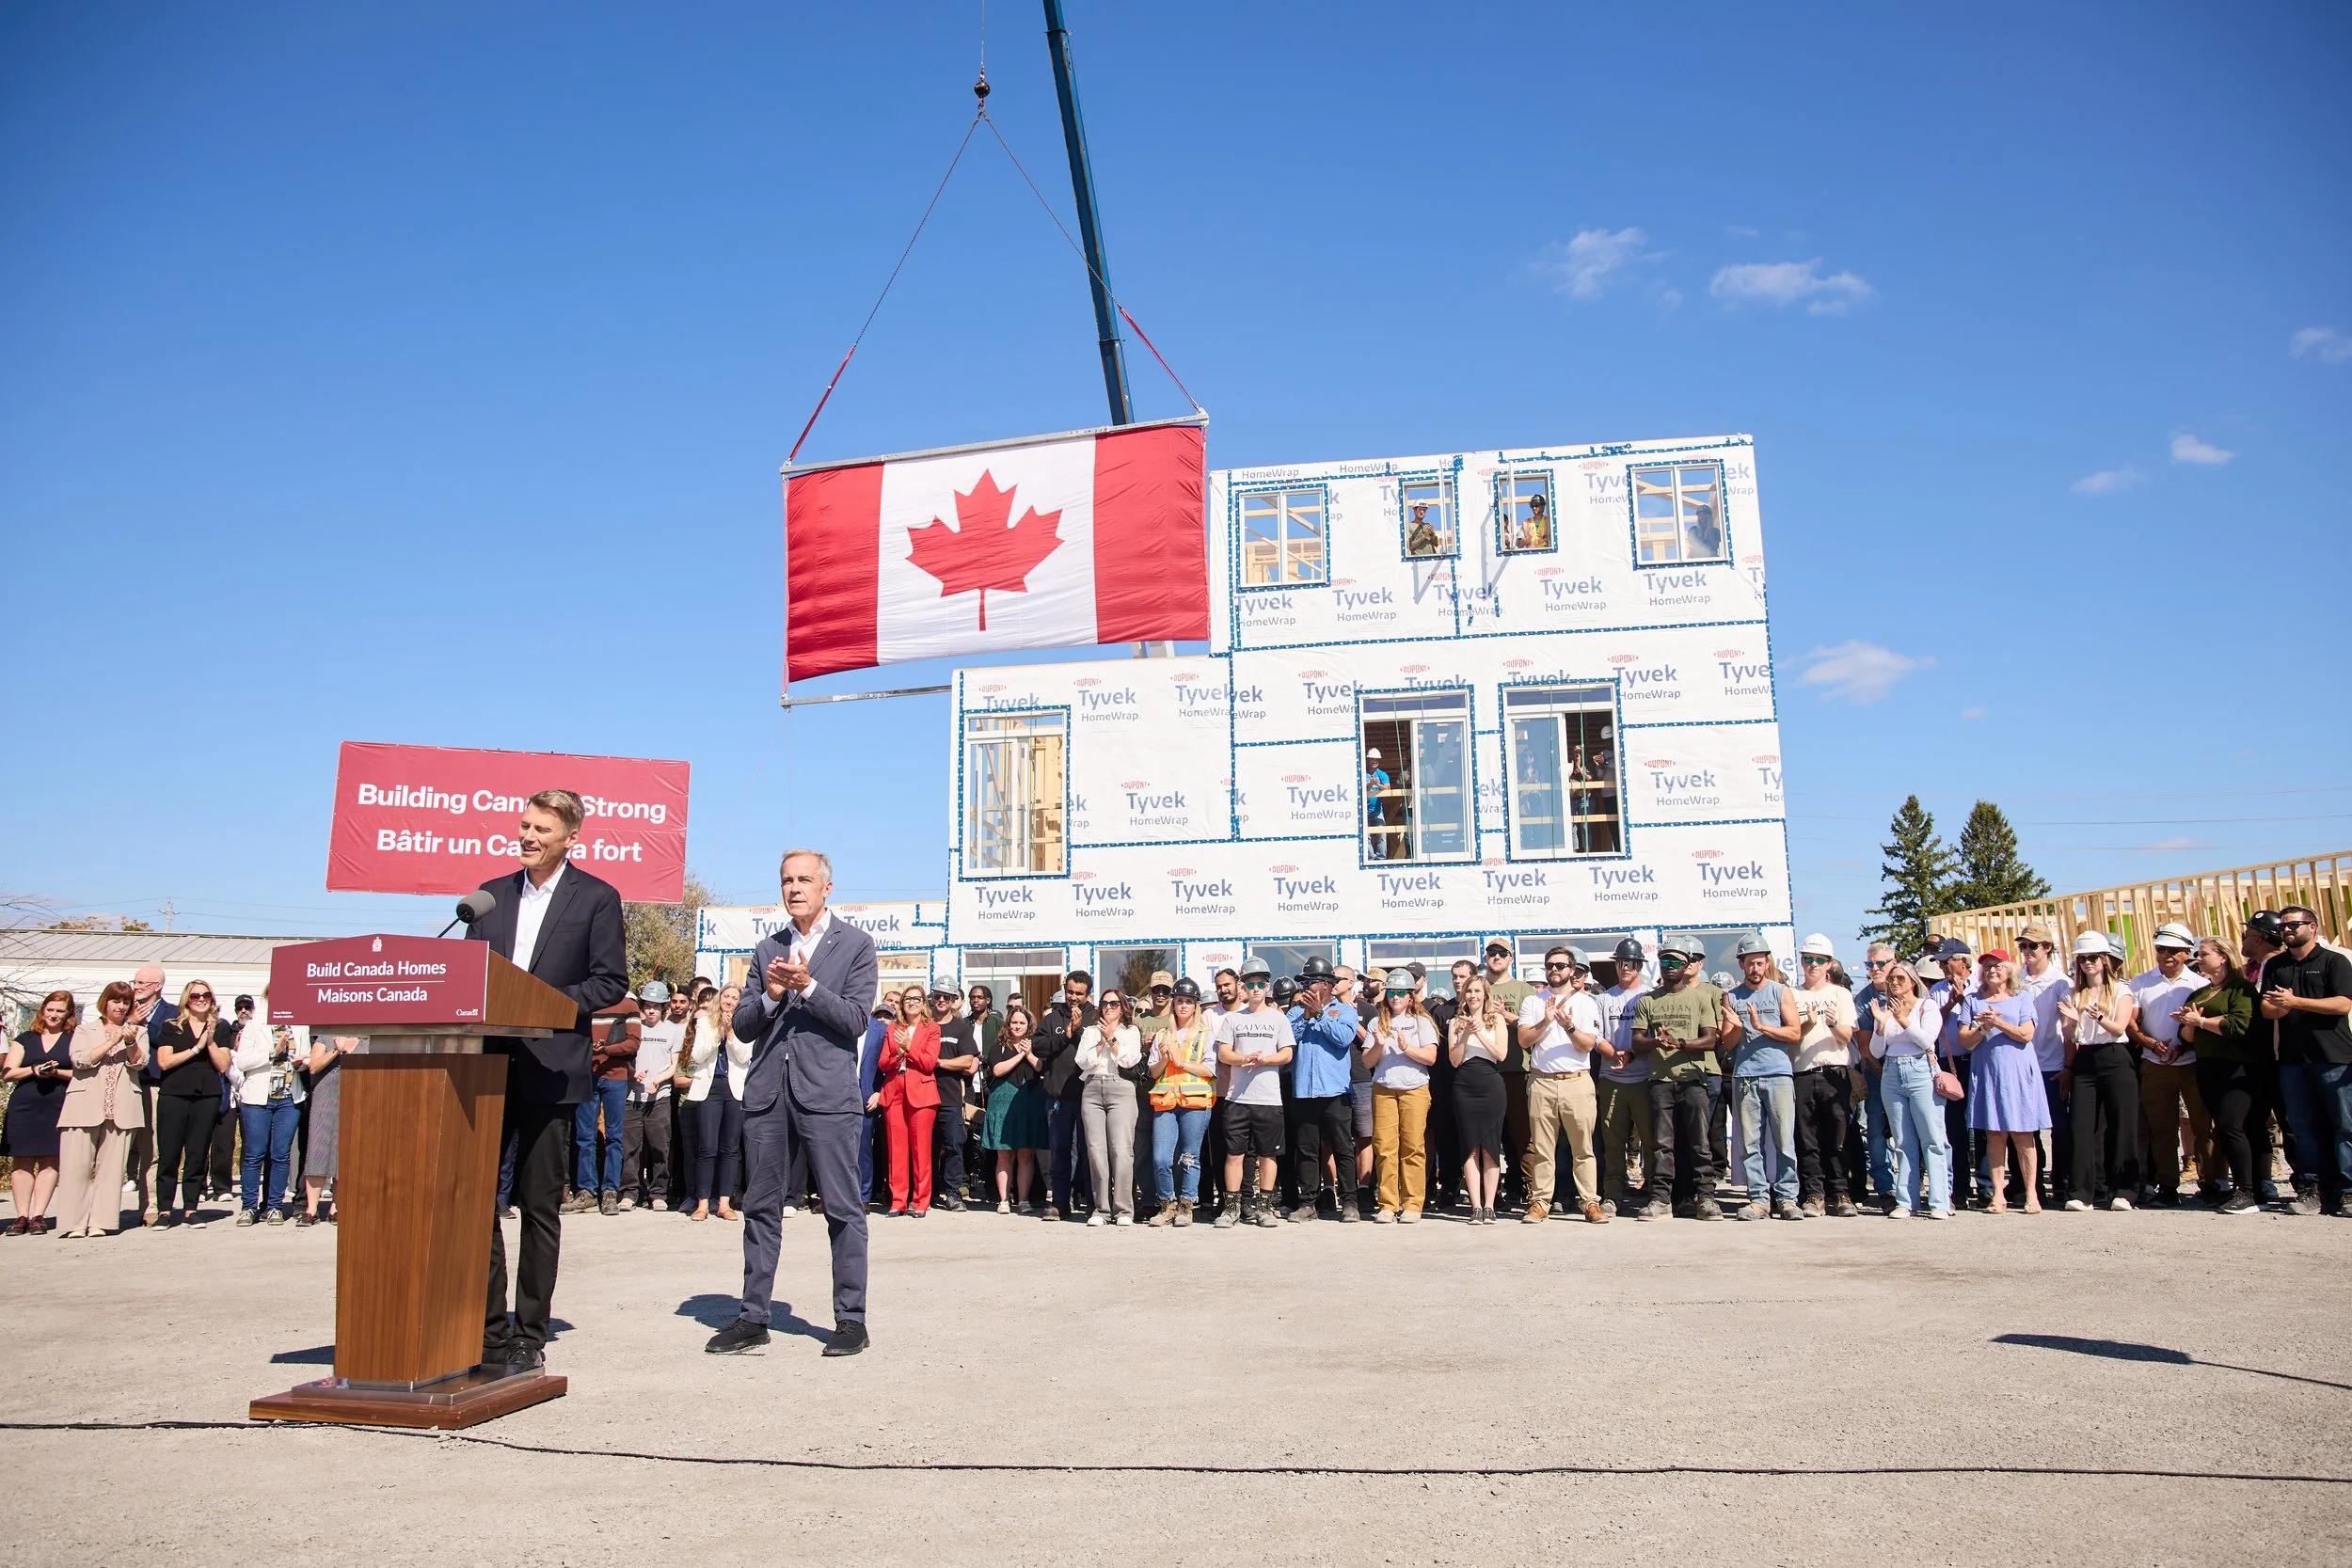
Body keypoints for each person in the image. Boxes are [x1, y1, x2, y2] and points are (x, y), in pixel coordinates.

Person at [463, 787, 630, 1372]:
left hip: (552, 1066)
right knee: (477, 1202)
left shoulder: (597, 899)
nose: (528, 836)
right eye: (524, 825)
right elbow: (466, 980)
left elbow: (609, 983)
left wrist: (542, 1002)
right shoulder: (489, 897)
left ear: (570, 838)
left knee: (538, 1206)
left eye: (541, 829)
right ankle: (487, 1331)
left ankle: (529, 1331)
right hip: (486, 1066)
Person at [713, 848, 879, 1359]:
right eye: (787, 880)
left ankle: (850, 1320)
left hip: (827, 1096)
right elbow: (741, 1026)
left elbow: (855, 1020)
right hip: (768, 1094)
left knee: (842, 1208)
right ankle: (753, 1316)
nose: (794, 888)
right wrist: (766, 996)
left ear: (827, 887)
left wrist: (806, 987)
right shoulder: (767, 948)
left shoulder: (856, 945)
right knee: (760, 1207)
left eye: (804, 880)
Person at [2262, 904, 2352, 1216]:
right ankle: (2311, 1188)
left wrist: (2295, 1002)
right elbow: (2266, 1010)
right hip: (2292, 1060)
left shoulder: (2334, 961)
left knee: (2344, 1126)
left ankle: (2347, 1191)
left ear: (2312, 927)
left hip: (2334, 1057)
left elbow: (2342, 1004)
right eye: (2283, 926)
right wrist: (2280, 1008)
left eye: (2293, 925)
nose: (2286, 930)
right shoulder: (2276, 966)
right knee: (2302, 1127)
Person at [1633, 933, 1728, 1222]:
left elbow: (1711, 1040)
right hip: (1661, 1081)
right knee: (1663, 1144)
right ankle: (1661, 1199)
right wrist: (1656, 1043)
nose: (1669, 965)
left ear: (1688, 965)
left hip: (1694, 1080)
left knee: (1700, 1143)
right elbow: (1637, 1042)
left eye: (1676, 961)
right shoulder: (1647, 1001)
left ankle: (1706, 1199)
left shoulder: (1701, 998)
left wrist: (1681, 1044)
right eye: (1664, 961)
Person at [53, 981, 149, 1239]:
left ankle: (101, 1221)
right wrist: (114, 1039)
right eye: (116, 1001)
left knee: (111, 1169)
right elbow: (80, 1060)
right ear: (105, 1002)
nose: (121, 1006)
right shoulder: (85, 1030)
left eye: (126, 1002)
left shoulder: (138, 1032)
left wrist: (129, 1042)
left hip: (121, 1106)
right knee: (76, 1167)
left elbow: (140, 1063)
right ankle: (74, 1223)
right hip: (83, 1104)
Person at [2177, 938, 2265, 1214]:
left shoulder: (2241, 989)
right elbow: (2186, 1036)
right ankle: (2244, 1188)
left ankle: (2247, 1191)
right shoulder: (2201, 993)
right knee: (2223, 1127)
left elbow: (2239, 1025)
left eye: (2203, 954)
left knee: (2233, 1125)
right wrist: (2191, 1025)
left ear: (2223, 957)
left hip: (2237, 1067)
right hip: (2207, 1065)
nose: (2198, 958)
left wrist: (2200, 1022)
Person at [1517, 947, 1604, 1224]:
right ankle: (1541, 1201)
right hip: (1542, 1081)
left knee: (1583, 1148)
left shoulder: (1587, 1003)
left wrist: (1568, 1026)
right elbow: (1523, 1040)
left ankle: (1590, 1201)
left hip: (1576, 1081)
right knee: (1542, 1148)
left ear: (1572, 969)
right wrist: (1547, 1019)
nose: (1554, 970)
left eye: (1560, 965)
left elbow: (1589, 1044)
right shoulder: (1533, 1002)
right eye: (1549, 965)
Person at [2128, 924, 2213, 1207]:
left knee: (2204, 1125)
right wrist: (2150, 1043)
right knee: (2161, 1128)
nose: (2165, 955)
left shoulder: (2200, 985)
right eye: (2161, 949)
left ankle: (2211, 1181)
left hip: (2192, 1064)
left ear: (2186, 953)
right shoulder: (2141, 982)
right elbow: (2132, 1022)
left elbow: (2202, 1025)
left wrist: (2183, 1046)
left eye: (2172, 950)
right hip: (2154, 1064)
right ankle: (2167, 1185)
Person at [1960, 953, 2049, 1214]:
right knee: (1994, 1135)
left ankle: (2032, 1193)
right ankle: (1998, 1195)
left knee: (2024, 1134)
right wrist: (1983, 1028)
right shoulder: (1972, 1001)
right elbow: (1964, 1039)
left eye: (1997, 966)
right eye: (1987, 967)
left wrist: (1997, 1022)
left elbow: (2026, 1034)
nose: (1992, 971)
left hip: (2018, 1073)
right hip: (1988, 1073)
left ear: (2008, 970)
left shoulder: (2021, 998)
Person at [2058, 932, 2141, 1212]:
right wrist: (2071, 1022)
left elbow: (2120, 1028)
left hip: (2115, 1055)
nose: (2087, 964)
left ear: (2105, 960)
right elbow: (2071, 1035)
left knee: (2122, 1124)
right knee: (2081, 1126)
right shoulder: (2073, 993)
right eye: (2082, 959)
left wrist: (2099, 1017)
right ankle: (2083, 1192)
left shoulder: (2122, 990)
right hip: (2086, 1057)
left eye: (2093, 958)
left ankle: (2124, 1191)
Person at [1721, 934, 1801, 1221]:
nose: (1755, 968)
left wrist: (1761, 1026)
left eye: (1759, 962)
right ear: (1741, 965)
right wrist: (1735, 1028)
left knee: (1784, 1141)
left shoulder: (1781, 992)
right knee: (1751, 1143)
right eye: (1749, 963)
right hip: (1745, 1076)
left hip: (1778, 1074)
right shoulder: (1732, 995)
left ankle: (1788, 1198)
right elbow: (1729, 1044)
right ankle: (1758, 1199)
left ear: (1767, 963)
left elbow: (1794, 1033)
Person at [1866, 960, 1952, 1218]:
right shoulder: (1885, 1009)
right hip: (1892, 1071)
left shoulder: (1927, 1006)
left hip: (1920, 1070)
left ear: (1913, 981)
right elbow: (1876, 1051)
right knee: (1902, 1141)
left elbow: (1927, 1040)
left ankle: (1939, 1202)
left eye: (1900, 978)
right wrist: (1881, 1026)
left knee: (1933, 1139)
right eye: (1892, 979)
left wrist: (1904, 1020)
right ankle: (1906, 1201)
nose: (1894, 983)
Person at [1213, 957, 1292, 1228]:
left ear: (1267, 987)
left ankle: (1265, 1207)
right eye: (1250, 984)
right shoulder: (1233, 1019)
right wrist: (1243, 1059)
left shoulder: (1278, 1019)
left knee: (1268, 1154)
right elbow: (1223, 1053)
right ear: (1243, 987)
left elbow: (1287, 1054)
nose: (1256, 988)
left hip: (1268, 1098)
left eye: (1260, 984)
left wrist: (1264, 1060)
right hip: (1237, 1098)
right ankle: (1232, 1207)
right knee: (1234, 1154)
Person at [1788, 935, 1860, 1217]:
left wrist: (1830, 1023)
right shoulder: (1792, 994)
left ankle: (1841, 1193)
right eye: (1808, 959)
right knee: (1806, 1138)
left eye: (1819, 960)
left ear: (1829, 964)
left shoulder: (1841, 994)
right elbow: (1792, 1038)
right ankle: (1814, 1194)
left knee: (1838, 1137)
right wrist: (1807, 1024)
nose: (1813, 965)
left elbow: (1845, 1037)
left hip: (1834, 1071)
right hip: (1802, 1071)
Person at [150, 980, 231, 1227]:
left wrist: (209, 1041)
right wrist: (196, 1048)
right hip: (174, 1094)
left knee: (197, 1154)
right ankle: (165, 1210)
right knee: (169, 1152)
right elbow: (164, 1062)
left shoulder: (221, 1027)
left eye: (206, 994)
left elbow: (223, 1064)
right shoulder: (172, 1026)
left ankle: (190, 1208)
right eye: (195, 995)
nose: (201, 998)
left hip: (206, 1095)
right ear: (187, 999)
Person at [1286, 956, 1359, 1223]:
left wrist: (1319, 1015)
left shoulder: (1346, 1010)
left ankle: (1350, 1203)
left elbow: (1343, 1039)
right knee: (1307, 1151)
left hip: (1335, 1092)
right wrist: (1306, 1016)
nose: (1306, 987)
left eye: (1311, 982)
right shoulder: (1295, 1012)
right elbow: (1286, 1041)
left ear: (1327, 985)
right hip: (1304, 1092)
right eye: (1304, 982)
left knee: (1343, 1148)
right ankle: (1308, 1203)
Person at [1362, 971, 1438, 1222]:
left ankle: (1413, 1204)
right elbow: (1367, 1063)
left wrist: (1406, 1048)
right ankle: (1387, 1204)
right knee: (1384, 1147)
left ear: (1410, 996)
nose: (1395, 997)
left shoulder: (1421, 1021)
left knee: (1413, 1146)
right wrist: (1378, 1045)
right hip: (1384, 1089)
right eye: (1391, 992)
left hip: (1414, 1089)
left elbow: (1430, 1057)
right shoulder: (1377, 1023)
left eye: (1400, 993)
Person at [5, 991, 77, 1234]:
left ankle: (38, 1216)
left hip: (58, 1104)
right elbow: (8, 1073)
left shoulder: (74, 1038)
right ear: (42, 1010)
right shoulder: (25, 1038)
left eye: (60, 1011)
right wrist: (33, 1070)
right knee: (22, 1160)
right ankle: (21, 1216)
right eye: (50, 1009)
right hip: (25, 1104)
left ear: (68, 1013)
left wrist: (57, 1073)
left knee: (50, 1159)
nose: (54, 1015)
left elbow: (82, 1073)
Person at [230, 997, 306, 1227]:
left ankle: (274, 1206)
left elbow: (306, 1056)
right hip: (258, 1098)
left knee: (281, 1154)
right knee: (254, 1154)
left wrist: (301, 1062)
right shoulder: (255, 1024)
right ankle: (249, 1206)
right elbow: (242, 1063)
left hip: (288, 1097)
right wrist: (273, 1053)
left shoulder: (300, 1024)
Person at [2011, 925, 2073, 1206]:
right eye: (2023, 946)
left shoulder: (2060, 982)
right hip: (2022, 1063)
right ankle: (2029, 1184)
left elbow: (2069, 1028)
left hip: (2051, 1062)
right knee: (2024, 1128)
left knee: (2059, 1128)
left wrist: (2069, 1066)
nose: (2026, 952)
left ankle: (2061, 1181)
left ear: (2047, 948)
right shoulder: (2015, 980)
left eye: (2032, 946)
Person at [1147, 977, 1216, 1227]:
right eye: (1180, 1001)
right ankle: (1166, 1204)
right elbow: (1154, 1073)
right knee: (1161, 1158)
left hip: (1195, 1102)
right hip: (1166, 1101)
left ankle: (1186, 1207)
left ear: (1196, 1005)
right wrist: (1166, 1060)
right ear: (1173, 1004)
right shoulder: (1163, 1035)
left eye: (1188, 1001)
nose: (1184, 1005)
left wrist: (1181, 1062)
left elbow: (1211, 1069)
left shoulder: (1205, 1035)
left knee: (1190, 1156)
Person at [1593, 940, 1654, 1218]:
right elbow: (1598, 1036)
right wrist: (1614, 1053)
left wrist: (1630, 1052)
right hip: (1611, 1077)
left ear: (1639, 965)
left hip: (1643, 1077)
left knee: (1651, 1141)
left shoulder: (1650, 996)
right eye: (1620, 963)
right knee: (1613, 1142)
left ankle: (1655, 1193)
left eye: (1629, 963)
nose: (1624, 968)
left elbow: (1652, 1036)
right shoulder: (1605, 999)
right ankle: (1612, 1195)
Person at [1073, 989, 1142, 1227]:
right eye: (1104, 1004)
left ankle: (1123, 1210)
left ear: (1122, 1007)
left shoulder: (1131, 1031)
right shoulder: (1090, 1032)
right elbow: (1082, 1062)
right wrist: (1101, 1042)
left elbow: (1129, 1060)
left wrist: (1112, 1038)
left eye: (1114, 1004)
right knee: (1096, 1151)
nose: (1108, 1008)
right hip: (1092, 1088)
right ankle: (1101, 1210)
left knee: (1121, 1150)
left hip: (1120, 1088)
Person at [1032, 971, 1096, 1221]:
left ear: (1087, 994)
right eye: (1070, 992)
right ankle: (1060, 1201)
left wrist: (1079, 1032)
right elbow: (1038, 1047)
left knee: (1090, 1151)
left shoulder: (1096, 1017)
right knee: (1059, 1151)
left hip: (1089, 1097)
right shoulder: (1052, 1018)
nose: (1073, 997)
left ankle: (1093, 1203)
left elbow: (1097, 1049)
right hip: (1057, 1097)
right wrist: (1065, 1035)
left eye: (1079, 993)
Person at [683, 983, 750, 1221]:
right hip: (709, 1088)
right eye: (726, 996)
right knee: (707, 1147)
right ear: (719, 998)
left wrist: (731, 1033)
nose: (729, 1001)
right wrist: (718, 1034)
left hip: (733, 1089)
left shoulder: (745, 1024)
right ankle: (702, 1204)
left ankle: (724, 1203)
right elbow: (697, 1055)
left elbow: (744, 1057)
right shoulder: (704, 1022)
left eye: (734, 997)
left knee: (730, 1149)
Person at [1447, 973, 1509, 1224]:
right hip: (1464, 1084)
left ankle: (1490, 1205)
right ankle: (1475, 1206)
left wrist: (1480, 1032)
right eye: (1469, 992)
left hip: (1491, 1084)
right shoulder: (1455, 1023)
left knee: (1491, 1148)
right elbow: (1454, 1060)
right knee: (1470, 1147)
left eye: (1477, 992)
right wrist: (1465, 1034)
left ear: (1485, 996)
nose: (1472, 996)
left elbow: (1501, 1054)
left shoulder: (1497, 1020)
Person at [1927, 937, 1981, 1211]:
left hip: (1978, 1059)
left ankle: (1986, 1186)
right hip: (1950, 1062)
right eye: (1940, 963)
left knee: (1983, 1124)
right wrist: (1951, 1003)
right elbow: (1932, 1025)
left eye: (1947, 962)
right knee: (1954, 1128)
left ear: (1963, 961)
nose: (1943, 968)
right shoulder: (1937, 989)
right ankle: (1958, 1188)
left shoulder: (1981, 985)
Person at [877, 984, 941, 1217]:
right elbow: (883, 1063)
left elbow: (928, 1063)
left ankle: (921, 1201)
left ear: (924, 1003)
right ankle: (898, 1201)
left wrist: (909, 1047)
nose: (912, 1003)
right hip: (894, 1090)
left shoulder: (931, 1029)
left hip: (921, 1093)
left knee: (921, 1149)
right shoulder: (893, 1028)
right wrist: (899, 1055)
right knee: (896, 1149)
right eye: (907, 999)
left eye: (917, 999)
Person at [1480, 940, 1534, 1208]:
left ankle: (1529, 1189)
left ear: (1511, 958)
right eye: (1492, 953)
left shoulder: (1523, 989)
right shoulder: (1479, 987)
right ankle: (1491, 1195)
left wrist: (1505, 1015)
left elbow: (1532, 1027)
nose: (1497, 957)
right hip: (1485, 1071)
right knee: (1489, 1136)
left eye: (1502, 953)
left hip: (1516, 1070)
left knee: (1522, 1135)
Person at [571, 998, 638, 1217]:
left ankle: (609, 1192)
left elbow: (634, 1042)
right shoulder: (586, 1004)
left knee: (614, 1137)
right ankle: (586, 1192)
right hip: (586, 1075)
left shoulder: (628, 1005)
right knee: (584, 1136)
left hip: (616, 1077)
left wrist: (607, 1049)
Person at [123, 962, 177, 1227]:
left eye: (143, 983)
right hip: (122, 1085)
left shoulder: (173, 1013)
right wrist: (128, 1019)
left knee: (151, 1150)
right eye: (135, 982)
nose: (136, 988)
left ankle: (150, 1206)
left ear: (158, 986)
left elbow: (172, 1040)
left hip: (153, 1085)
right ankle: (103, 1209)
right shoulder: (120, 1007)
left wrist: (143, 1023)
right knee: (114, 1151)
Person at [982, 1001, 1048, 1212]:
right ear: (1008, 1024)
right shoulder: (998, 1045)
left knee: (1026, 1153)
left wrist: (1028, 1053)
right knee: (1004, 1153)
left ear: (1029, 1025)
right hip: (1002, 1101)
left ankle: (1024, 1199)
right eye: (1014, 1022)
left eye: (1022, 1022)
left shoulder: (1036, 1045)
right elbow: (998, 1070)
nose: (1018, 1026)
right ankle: (1003, 1200)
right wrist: (1019, 1054)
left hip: (1029, 1101)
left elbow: (1041, 1068)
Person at [626, 982, 686, 1212]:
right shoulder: (635, 1029)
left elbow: (674, 1066)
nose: (651, 1011)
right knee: (630, 1147)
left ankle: (658, 1192)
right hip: (632, 1096)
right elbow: (627, 1061)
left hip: (659, 1096)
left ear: (664, 1009)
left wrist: (658, 1080)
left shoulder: (672, 1031)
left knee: (660, 1146)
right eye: (648, 1006)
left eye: (656, 1007)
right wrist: (634, 1073)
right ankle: (629, 1193)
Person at [1849, 945, 1899, 1211]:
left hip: (1913, 1072)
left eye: (1881, 963)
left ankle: (1914, 1185)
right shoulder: (1864, 999)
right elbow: (1865, 1048)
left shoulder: (1912, 989)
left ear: (1895, 962)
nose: (1875, 969)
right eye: (1870, 965)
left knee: (1910, 1131)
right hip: (1878, 1074)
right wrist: (1883, 1075)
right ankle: (1885, 1188)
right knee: (1877, 1134)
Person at [1424, 959, 1472, 1212]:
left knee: (1475, 1138)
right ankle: (1449, 1188)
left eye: (1463, 976)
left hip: (1475, 1083)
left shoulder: (1483, 1011)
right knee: (1447, 1139)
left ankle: (1487, 1191)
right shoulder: (1442, 1012)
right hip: (1446, 1082)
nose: (1457, 981)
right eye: (1454, 976)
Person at [298, 1031, 357, 1226]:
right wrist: (336, 1051)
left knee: (345, 1152)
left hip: (356, 1096)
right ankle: (311, 1210)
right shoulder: (326, 1036)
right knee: (318, 1148)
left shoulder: (368, 1038)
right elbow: (313, 1066)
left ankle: (336, 1207)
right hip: (326, 1096)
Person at [930, 981, 978, 1212]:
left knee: (954, 1146)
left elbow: (967, 1062)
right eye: (938, 996)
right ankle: (926, 1194)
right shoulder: (923, 1024)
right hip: (923, 1096)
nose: (942, 1000)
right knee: (926, 1148)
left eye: (947, 997)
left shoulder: (961, 1028)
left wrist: (938, 1062)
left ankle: (952, 1193)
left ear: (953, 1001)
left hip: (950, 1097)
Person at [1365, 750, 1391, 861]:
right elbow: (1363, 790)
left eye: (1376, 760)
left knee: (1382, 834)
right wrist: (1370, 784)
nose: (1374, 761)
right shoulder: (1362, 772)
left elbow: (1388, 788)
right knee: (1366, 836)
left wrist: (1377, 784)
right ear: (1368, 760)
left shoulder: (1382, 774)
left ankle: (1381, 858)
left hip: (1377, 810)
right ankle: (1370, 858)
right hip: (1364, 810)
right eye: (1372, 759)